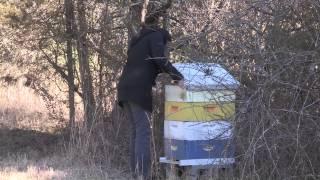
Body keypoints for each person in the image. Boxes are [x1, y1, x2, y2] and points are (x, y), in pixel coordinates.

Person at [117, 13, 184, 180]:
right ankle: (143, 176)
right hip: (138, 90)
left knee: (136, 132)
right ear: (164, 37)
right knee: (143, 133)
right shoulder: (156, 37)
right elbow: (159, 59)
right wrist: (178, 77)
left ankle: (137, 174)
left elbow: (148, 62)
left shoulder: (139, 40)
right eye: (166, 45)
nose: (165, 47)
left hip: (125, 89)